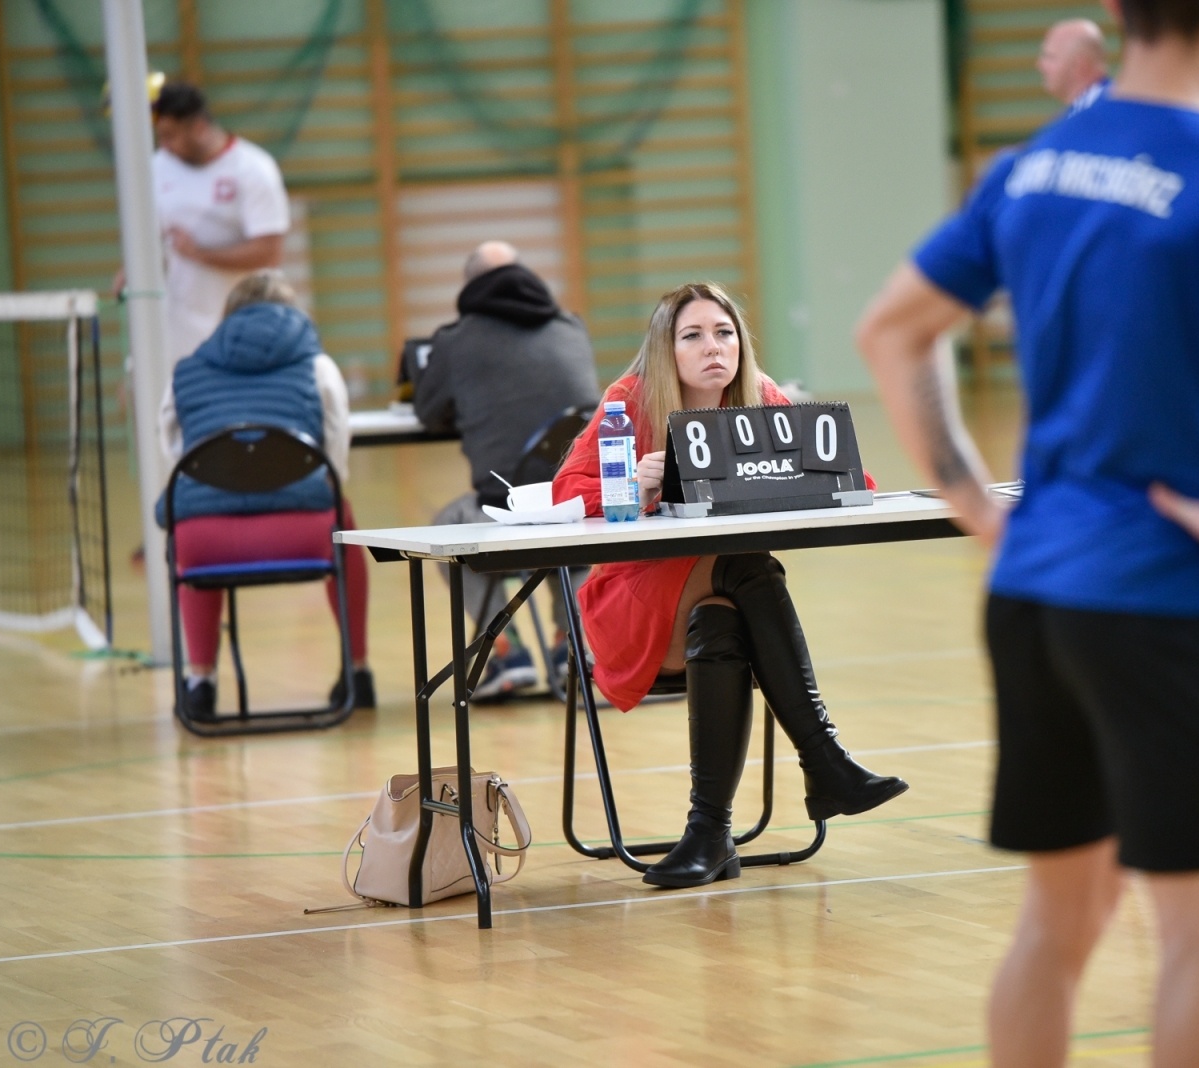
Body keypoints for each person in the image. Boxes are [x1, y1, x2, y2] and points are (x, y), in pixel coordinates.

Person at [856, 0, 1199, 1063]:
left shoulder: (1029, 169)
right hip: (1156, 599)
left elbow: (892, 330)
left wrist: (973, 501)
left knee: (1058, 921)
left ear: (1118, 14)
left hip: (1032, 592)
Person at [552, 282, 909, 889]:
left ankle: (710, 836)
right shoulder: (630, 400)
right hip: (632, 606)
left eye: (724, 333)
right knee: (748, 563)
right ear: (667, 350)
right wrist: (632, 484)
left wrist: (814, 467)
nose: (713, 347)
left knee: (722, 619)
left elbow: (849, 477)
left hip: (702, 610)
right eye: (692, 336)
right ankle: (825, 760)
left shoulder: (758, 396)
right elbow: (564, 495)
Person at [156, 270, 374, 723]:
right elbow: (334, 451)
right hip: (304, 536)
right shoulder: (318, 366)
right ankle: (357, 672)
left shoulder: (186, 371)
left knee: (187, 525)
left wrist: (224, 481)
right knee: (342, 516)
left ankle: (200, 682)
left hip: (204, 544)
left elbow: (175, 448)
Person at [414, 240, 601, 698]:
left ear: (471, 287)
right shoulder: (571, 327)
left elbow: (427, 410)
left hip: (505, 510)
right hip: (577, 507)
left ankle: (503, 652)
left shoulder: (456, 341)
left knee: (447, 528)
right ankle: (570, 646)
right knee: (565, 521)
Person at [138, 80, 290, 368]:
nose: (164, 146)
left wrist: (199, 254)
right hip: (177, 333)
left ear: (198, 127)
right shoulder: (157, 168)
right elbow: (153, 238)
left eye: (170, 136)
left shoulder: (253, 170)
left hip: (241, 328)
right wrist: (134, 269)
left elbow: (269, 253)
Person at [1037, 17, 1110, 110]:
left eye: (1050, 57)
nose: (1040, 65)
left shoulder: (1101, 115)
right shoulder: (1087, 109)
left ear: (1081, 65)